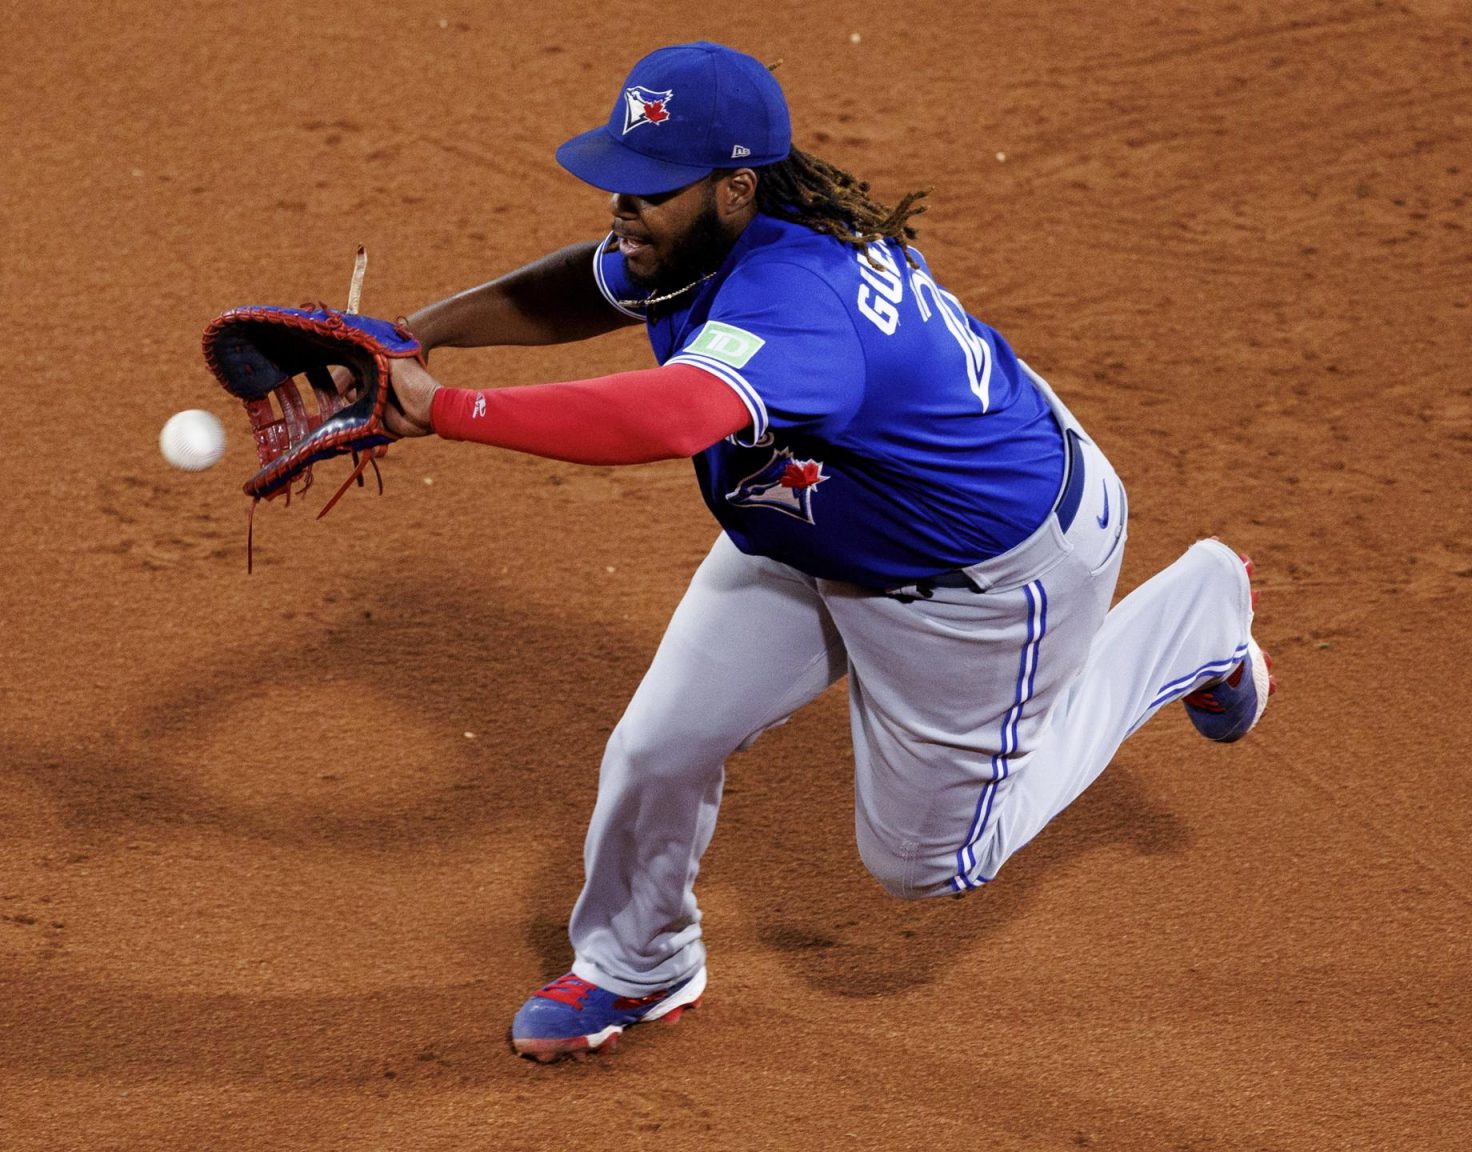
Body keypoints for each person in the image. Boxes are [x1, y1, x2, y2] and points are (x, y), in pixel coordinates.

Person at [376, 41, 1273, 1062]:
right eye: (619, 181)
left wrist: (447, 411)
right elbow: (598, 283)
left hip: (987, 580)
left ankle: (1194, 622)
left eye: (650, 192)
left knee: (928, 868)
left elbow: (674, 417)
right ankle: (639, 964)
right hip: (830, 513)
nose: (623, 209)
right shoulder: (705, 238)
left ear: (735, 188)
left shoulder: (800, 302)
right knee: (657, 748)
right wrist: (417, 333)